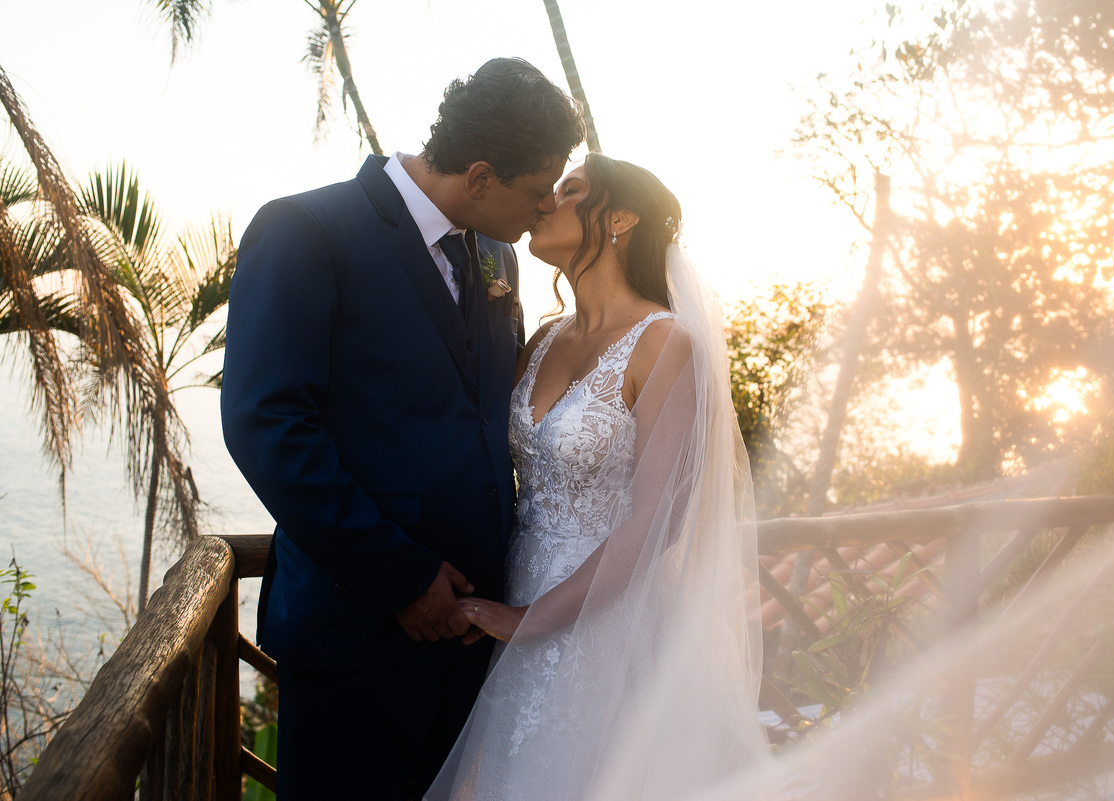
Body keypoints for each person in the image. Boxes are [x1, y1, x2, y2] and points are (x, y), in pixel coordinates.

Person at [220, 58, 585, 800]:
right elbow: (267, 425)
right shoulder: (306, 230)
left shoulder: (496, 251)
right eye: (537, 188)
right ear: (480, 176)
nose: (546, 205)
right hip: (356, 638)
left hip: (472, 639)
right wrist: (404, 578)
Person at [425, 154, 773, 801]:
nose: (547, 200)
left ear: (620, 218)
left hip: (602, 623)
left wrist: (529, 618)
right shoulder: (542, 339)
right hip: (512, 600)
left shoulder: (666, 343)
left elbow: (655, 521)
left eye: (571, 189)